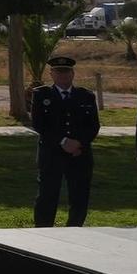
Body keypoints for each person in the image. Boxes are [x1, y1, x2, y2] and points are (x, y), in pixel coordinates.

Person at [28, 54, 99, 228]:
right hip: (52, 153)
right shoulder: (41, 95)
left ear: (72, 74)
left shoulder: (86, 96)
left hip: (79, 154)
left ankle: (75, 228)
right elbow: (39, 124)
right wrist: (63, 141)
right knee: (47, 194)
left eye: (66, 72)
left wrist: (79, 143)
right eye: (58, 72)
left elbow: (93, 125)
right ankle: (43, 230)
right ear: (51, 74)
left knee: (79, 195)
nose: (63, 75)